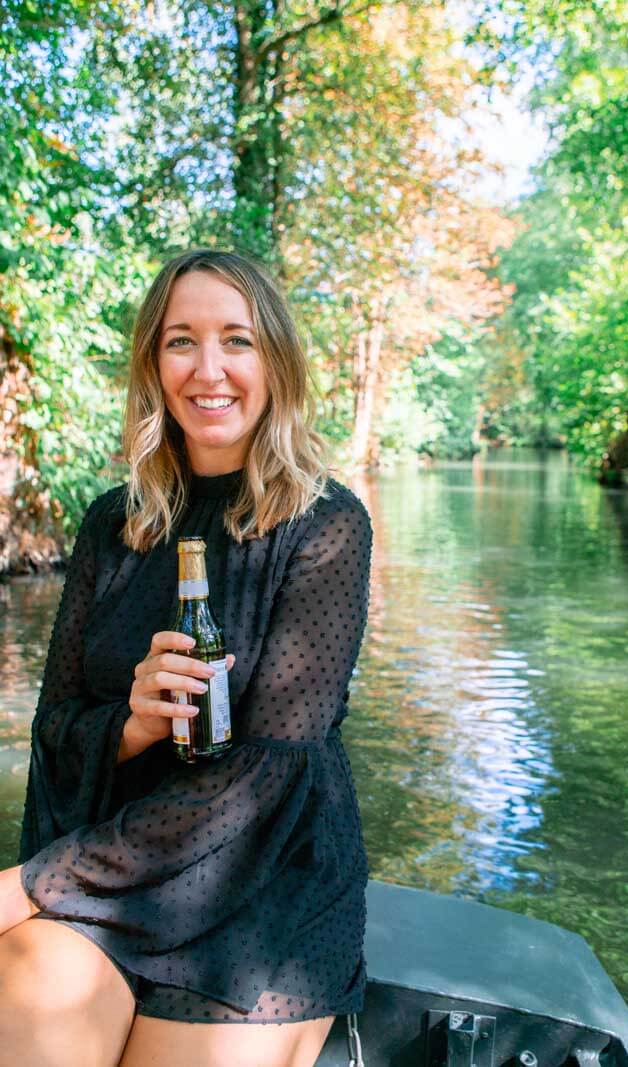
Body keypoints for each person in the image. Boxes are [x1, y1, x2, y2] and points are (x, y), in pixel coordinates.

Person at [0, 249, 373, 1067]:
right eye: (181, 341)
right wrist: (130, 728)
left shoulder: (327, 525)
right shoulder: (112, 524)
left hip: (262, 895)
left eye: (236, 340)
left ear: (274, 359)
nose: (210, 369)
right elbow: (56, 724)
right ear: (152, 362)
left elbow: (265, 776)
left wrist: (31, 883)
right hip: (113, 886)